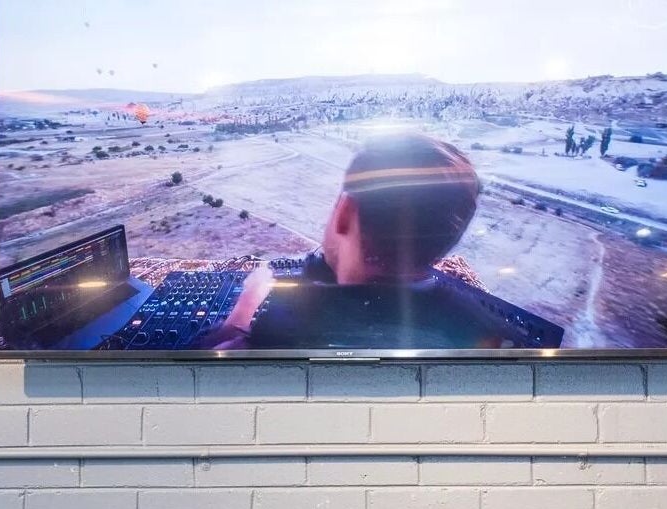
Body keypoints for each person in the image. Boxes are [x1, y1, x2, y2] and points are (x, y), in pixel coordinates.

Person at [205, 132, 490, 350]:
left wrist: (241, 317)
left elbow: (208, 367)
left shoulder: (283, 327)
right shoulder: (476, 326)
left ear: (345, 211)